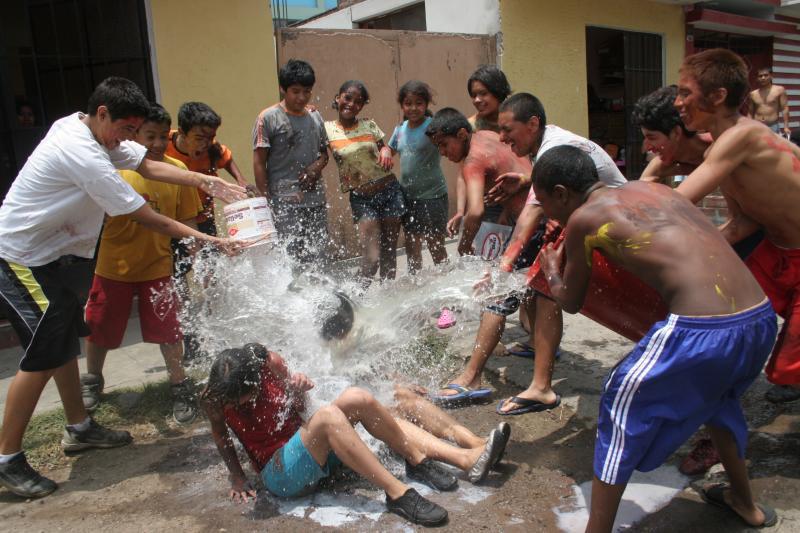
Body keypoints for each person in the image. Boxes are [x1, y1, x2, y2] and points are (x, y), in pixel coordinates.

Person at [0, 77, 244, 499]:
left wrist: (205, 182)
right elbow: (142, 214)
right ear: (102, 115)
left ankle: (79, 428)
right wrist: (212, 240)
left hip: (54, 259)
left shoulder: (99, 137)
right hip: (20, 257)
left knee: (61, 345)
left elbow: (148, 164)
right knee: (42, 354)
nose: (130, 141)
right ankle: (7, 459)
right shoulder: (80, 151)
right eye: (128, 131)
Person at [535, 145, 777, 531]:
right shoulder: (657, 190)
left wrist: (551, 270)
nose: (548, 213)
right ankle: (746, 504)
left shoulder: (584, 218)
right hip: (758, 318)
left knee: (618, 404)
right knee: (718, 402)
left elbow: (571, 302)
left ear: (562, 192)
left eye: (546, 203)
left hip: (702, 330)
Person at [432, 93, 626, 411]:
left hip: (602, 226)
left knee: (500, 294)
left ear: (533, 124)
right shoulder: (550, 142)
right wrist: (525, 180)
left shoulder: (550, 150)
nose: (503, 138)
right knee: (539, 289)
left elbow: (528, 219)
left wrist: (502, 268)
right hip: (591, 219)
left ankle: (472, 379)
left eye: (508, 130)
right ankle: (539, 369)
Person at [201, 343, 510, 527]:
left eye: (242, 396)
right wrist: (237, 477)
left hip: (310, 451)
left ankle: (428, 459)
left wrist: (297, 390)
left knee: (357, 398)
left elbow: (301, 409)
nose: (238, 404)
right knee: (328, 417)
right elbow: (220, 436)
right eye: (233, 400)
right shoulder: (214, 396)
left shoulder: (269, 363)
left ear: (256, 375)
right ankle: (398, 494)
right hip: (279, 473)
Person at [676, 49, 800, 405]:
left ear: (717, 97)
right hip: (776, 252)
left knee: (786, 370)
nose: (678, 102)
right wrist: (698, 255)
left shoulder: (742, 136)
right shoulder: (723, 144)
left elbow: (677, 203)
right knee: (727, 319)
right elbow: (743, 220)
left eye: (685, 93)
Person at [80, 103, 203, 423]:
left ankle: (179, 385)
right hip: (112, 265)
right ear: (135, 137)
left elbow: (188, 221)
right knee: (99, 327)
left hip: (158, 266)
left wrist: (195, 261)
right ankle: (92, 380)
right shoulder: (113, 166)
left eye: (164, 136)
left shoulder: (178, 171)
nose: (159, 143)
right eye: (151, 136)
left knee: (169, 331)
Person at [325, 81, 404, 284]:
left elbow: (383, 147)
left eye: (358, 102)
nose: (352, 104)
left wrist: (386, 150)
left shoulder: (369, 124)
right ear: (338, 98)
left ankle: (387, 302)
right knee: (372, 257)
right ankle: (357, 302)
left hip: (389, 190)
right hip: (362, 199)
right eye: (347, 98)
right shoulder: (326, 129)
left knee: (389, 253)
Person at [253, 59, 330, 265]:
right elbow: (259, 162)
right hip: (284, 202)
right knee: (291, 257)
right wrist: (265, 200)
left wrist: (316, 168)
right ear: (283, 89)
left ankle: (319, 296)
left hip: (315, 199)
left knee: (319, 255)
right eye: (296, 91)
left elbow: (324, 154)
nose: (302, 97)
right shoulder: (268, 118)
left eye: (307, 91)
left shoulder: (315, 116)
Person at [425, 107, 530, 258]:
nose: (441, 152)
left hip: (530, 223)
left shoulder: (473, 161)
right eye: (438, 147)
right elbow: (518, 162)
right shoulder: (488, 135)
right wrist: (507, 211)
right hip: (539, 208)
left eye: (444, 144)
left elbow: (475, 212)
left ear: (461, 134)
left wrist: (464, 246)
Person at [388, 80, 448, 275]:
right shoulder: (400, 129)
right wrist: (385, 152)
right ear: (402, 105)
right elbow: (390, 148)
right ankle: (416, 287)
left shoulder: (433, 127)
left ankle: (447, 283)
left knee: (435, 245)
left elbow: (451, 139)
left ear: (426, 104)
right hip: (409, 197)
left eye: (419, 103)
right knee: (412, 246)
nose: (413, 108)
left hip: (433, 197)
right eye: (408, 103)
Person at [166, 101, 250, 236]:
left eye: (211, 137)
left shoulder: (212, 149)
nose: (206, 143)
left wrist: (240, 179)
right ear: (182, 132)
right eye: (199, 138)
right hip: (174, 218)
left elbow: (226, 158)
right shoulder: (163, 144)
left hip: (204, 217)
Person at [447, 65, 512, 237]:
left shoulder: (515, 122)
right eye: (473, 95)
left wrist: (508, 209)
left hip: (517, 195)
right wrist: (461, 210)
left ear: (498, 91)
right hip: (488, 201)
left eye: (483, 93)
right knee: (488, 255)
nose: (477, 99)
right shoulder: (470, 127)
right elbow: (463, 171)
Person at [748, 67, 791, 137]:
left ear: (771, 76)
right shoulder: (753, 94)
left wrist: (786, 126)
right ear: (757, 78)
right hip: (757, 126)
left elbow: (784, 108)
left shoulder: (779, 90)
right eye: (760, 76)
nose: (763, 78)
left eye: (766, 75)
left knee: (773, 147)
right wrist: (748, 125)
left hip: (772, 126)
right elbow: (750, 112)